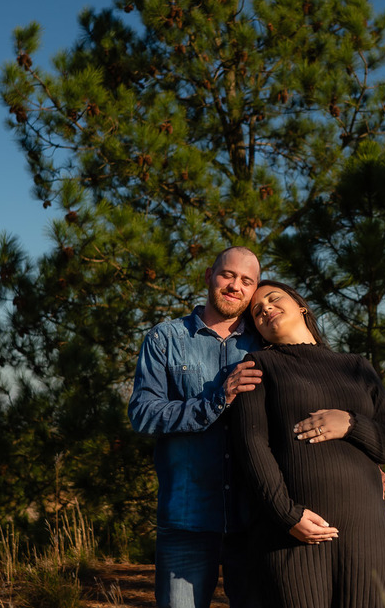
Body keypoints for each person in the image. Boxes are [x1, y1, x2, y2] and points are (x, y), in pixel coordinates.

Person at [232, 280, 385, 608]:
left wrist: (352, 424)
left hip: (368, 533)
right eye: (256, 312)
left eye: (272, 299)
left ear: (301, 305)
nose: (265, 309)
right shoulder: (257, 366)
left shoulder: (357, 366)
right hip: (291, 536)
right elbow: (252, 445)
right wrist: (287, 515)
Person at [128, 246, 266, 608]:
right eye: (228, 275)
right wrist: (215, 402)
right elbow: (143, 414)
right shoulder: (165, 339)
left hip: (254, 518)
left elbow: (306, 403)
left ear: (255, 289)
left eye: (246, 281)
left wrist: (363, 459)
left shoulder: (266, 343)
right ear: (209, 276)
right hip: (186, 518)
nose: (235, 285)